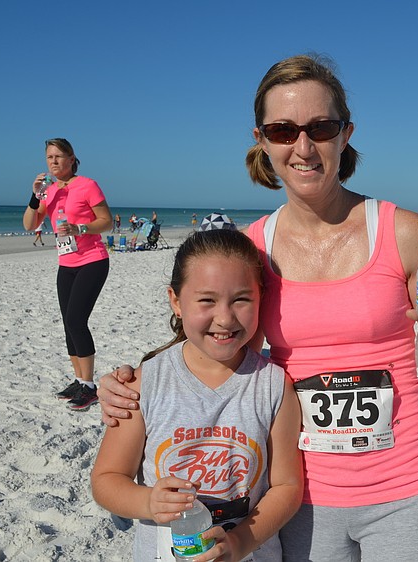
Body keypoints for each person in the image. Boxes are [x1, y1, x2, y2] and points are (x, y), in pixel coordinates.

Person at [99, 54, 418, 561]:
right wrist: (133, 382)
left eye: (320, 128)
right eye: (283, 130)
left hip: (407, 481)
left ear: (346, 134)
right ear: (262, 140)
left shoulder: (402, 232)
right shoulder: (253, 249)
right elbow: (219, 342)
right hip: (300, 497)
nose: (304, 147)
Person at [91, 228, 303, 561]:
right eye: (207, 300)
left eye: (241, 299)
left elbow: (287, 488)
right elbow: (106, 479)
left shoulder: (274, 386)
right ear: (176, 301)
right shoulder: (144, 384)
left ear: (261, 297)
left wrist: (239, 543)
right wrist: (147, 502)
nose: (225, 318)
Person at [22, 138, 112, 411]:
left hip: (93, 260)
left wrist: (80, 228)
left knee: (76, 320)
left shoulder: (87, 185)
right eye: (49, 157)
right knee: (67, 323)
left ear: (72, 159)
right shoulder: (48, 191)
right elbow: (29, 225)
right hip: (67, 263)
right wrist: (35, 195)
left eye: (59, 156)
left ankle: (89, 386)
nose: (53, 162)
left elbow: (106, 221)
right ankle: (77, 379)